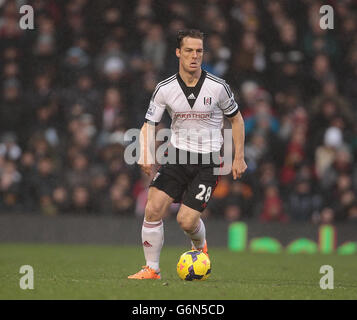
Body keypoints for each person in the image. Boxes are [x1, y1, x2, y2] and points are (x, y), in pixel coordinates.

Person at [128, 29, 247, 280]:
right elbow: (149, 124)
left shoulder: (218, 88)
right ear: (178, 53)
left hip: (208, 161)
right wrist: (145, 152)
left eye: (199, 51)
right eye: (189, 51)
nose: (195, 56)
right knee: (153, 208)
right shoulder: (165, 89)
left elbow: (236, 120)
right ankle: (152, 269)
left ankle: (199, 248)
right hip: (177, 157)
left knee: (186, 221)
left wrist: (238, 157)